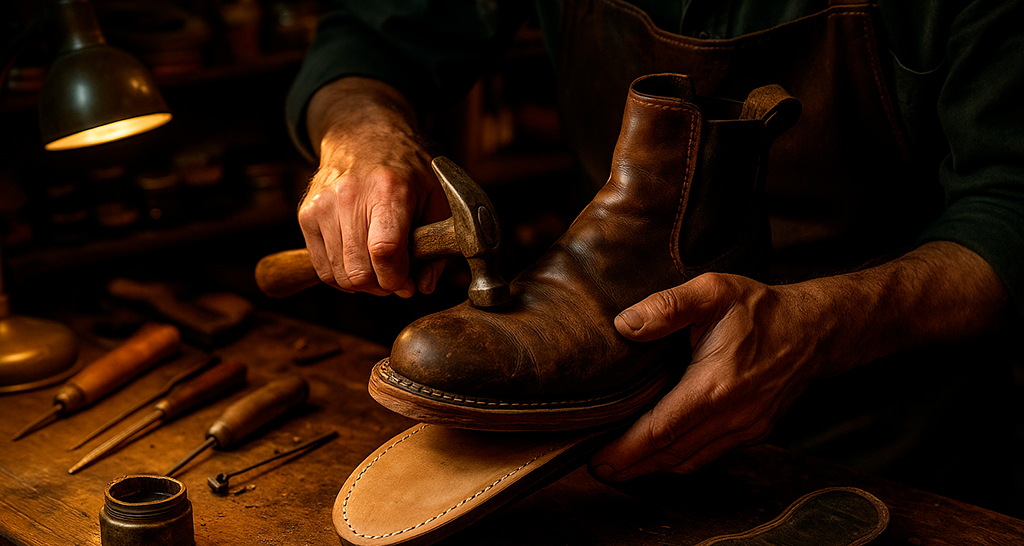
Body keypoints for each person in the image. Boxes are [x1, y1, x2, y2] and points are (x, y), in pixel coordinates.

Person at [285, 1, 1022, 511]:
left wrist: (817, 329)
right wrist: (363, 131)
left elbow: (1011, 208)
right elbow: (373, 39)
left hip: (892, 438)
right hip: (599, 381)